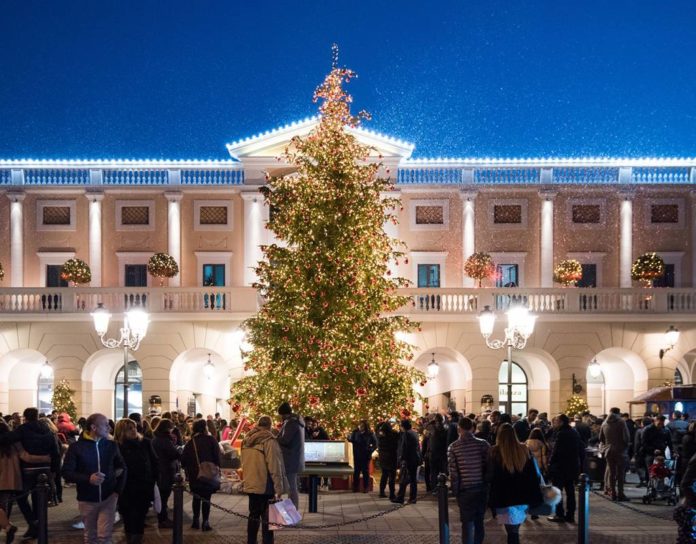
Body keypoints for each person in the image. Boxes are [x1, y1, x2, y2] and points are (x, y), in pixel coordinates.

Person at [62, 413, 127, 544]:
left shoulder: (111, 445)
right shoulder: (77, 447)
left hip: (109, 497)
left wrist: (117, 492)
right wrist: (88, 478)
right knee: (90, 536)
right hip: (87, 499)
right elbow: (67, 472)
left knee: (105, 536)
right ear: (93, 427)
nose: (109, 428)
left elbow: (123, 468)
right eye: (105, 425)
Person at [0, 407, 60, 539]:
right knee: (40, 498)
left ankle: (33, 523)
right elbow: (55, 451)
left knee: (21, 497)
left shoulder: (23, 429)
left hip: (28, 468)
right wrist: (54, 470)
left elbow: (6, 439)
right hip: (45, 468)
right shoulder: (47, 430)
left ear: (25, 417)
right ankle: (39, 527)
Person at [488, 423, 542, 544]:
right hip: (522, 495)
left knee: (511, 530)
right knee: (514, 527)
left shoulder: (495, 451)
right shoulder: (523, 449)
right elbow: (532, 474)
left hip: (503, 496)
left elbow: (491, 475)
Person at [241, 416, 288, 544]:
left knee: (253, 515)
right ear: (270, 426)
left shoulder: (246, 440)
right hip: (266, 484)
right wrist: (279, 488)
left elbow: (243, 462)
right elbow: (274, 466)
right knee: (268, 519)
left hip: (251, 482)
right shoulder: (269, 441)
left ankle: (251, 541)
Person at [114, 418, 158, 544]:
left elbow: (154, 462)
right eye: (129, 428)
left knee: (140, 517)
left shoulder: (145, 443)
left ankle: (136, 540)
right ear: (122, 431)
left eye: (134, 427)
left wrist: (153, 480)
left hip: (143, 486)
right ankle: (130, 538)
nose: (134, 430)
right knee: (127, 517)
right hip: (126, 487)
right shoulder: (117, 446)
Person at [448, 417, 490, 544]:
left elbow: (453, 472)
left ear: (459, 428)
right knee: (479, 520)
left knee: (467, 523)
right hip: (481, 487)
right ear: (472, 428)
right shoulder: (483, 444)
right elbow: (488, 466)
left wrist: (455, 491)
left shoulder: (453, 447)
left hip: (465, 490)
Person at [181, 418, 221, 531]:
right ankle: (205, 522)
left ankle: (195, 520)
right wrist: (217, 467)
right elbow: (217, 457)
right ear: (205, 428)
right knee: (206, 498)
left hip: (194, 475)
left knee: (196, 497)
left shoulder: (190, 442)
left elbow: (183, 460)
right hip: (208, 473)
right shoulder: (211, 440)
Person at [547, 414, 584, 522]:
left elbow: (556, 451)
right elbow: (581, 449)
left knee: (558, 492)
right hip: (572, 466)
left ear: (562, 422)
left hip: (560, 467)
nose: (554, 423)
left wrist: (550, 463)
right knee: (570, 492)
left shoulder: (561, 434)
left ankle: (559, 514)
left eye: (556, 421)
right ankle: (570, 515)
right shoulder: (574, 432)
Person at [151, 418, 182, 529]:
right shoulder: (163, 440)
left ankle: (163, 518)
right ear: (167, 429)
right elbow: (174, 454)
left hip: (161, 471)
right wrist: (178, 449)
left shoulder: (156, 439)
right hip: (165, 472)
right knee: (163, 497)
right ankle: (162, 519)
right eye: (171, 428)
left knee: (162, 497)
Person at [276, 402, 305, 509]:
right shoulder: (296, 422)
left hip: (290, 459)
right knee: (293, 487)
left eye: (281, 415)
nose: (281, 417)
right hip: (294, 459)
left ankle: (293, 512)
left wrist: (275, 437)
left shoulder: (291, 423)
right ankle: (292, 511)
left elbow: (285, 440)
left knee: (291, 488)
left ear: (284, 414)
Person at [598, 407, 630, 501]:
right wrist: (625, 446)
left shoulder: (604, 423)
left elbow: (601, 438)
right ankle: (620, 493)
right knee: (620, 473)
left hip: (608, 450)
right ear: (619, 413)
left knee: (612, 473)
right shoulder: (621, 422)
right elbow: (626, 437)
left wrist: (607, 445)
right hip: (620, 451)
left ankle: (612, 493)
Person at [392, 419, 421, 504]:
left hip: (409, 459)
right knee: (412, 479)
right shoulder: (414, 433)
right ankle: (411, 497)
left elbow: (405, 447)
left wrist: (402, 459)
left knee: (405, 478)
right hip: (414, 458)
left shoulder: (406, 434)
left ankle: (402, 497)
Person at [348, 420, 377, 493]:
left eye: (362, 426)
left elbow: (375, 443)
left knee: (365, 471)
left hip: (365, 454)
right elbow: (351, 440)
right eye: (360, 425)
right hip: (357, 454)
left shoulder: (370, 433)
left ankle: (366, 487)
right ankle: (355, 487)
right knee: (356, 471)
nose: (360, 427)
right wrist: (349, 437)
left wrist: (370, 450)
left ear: (365, 427)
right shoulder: (355, 432)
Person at [426, 414, 448, 493]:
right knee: (442, 471)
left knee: (433, 472)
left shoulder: (433, 428)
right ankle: (442, 488)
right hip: (442, 453)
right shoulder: (446, 428)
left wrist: (431, 422)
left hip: (434, 453)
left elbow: (425, 426)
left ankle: (434, 488)